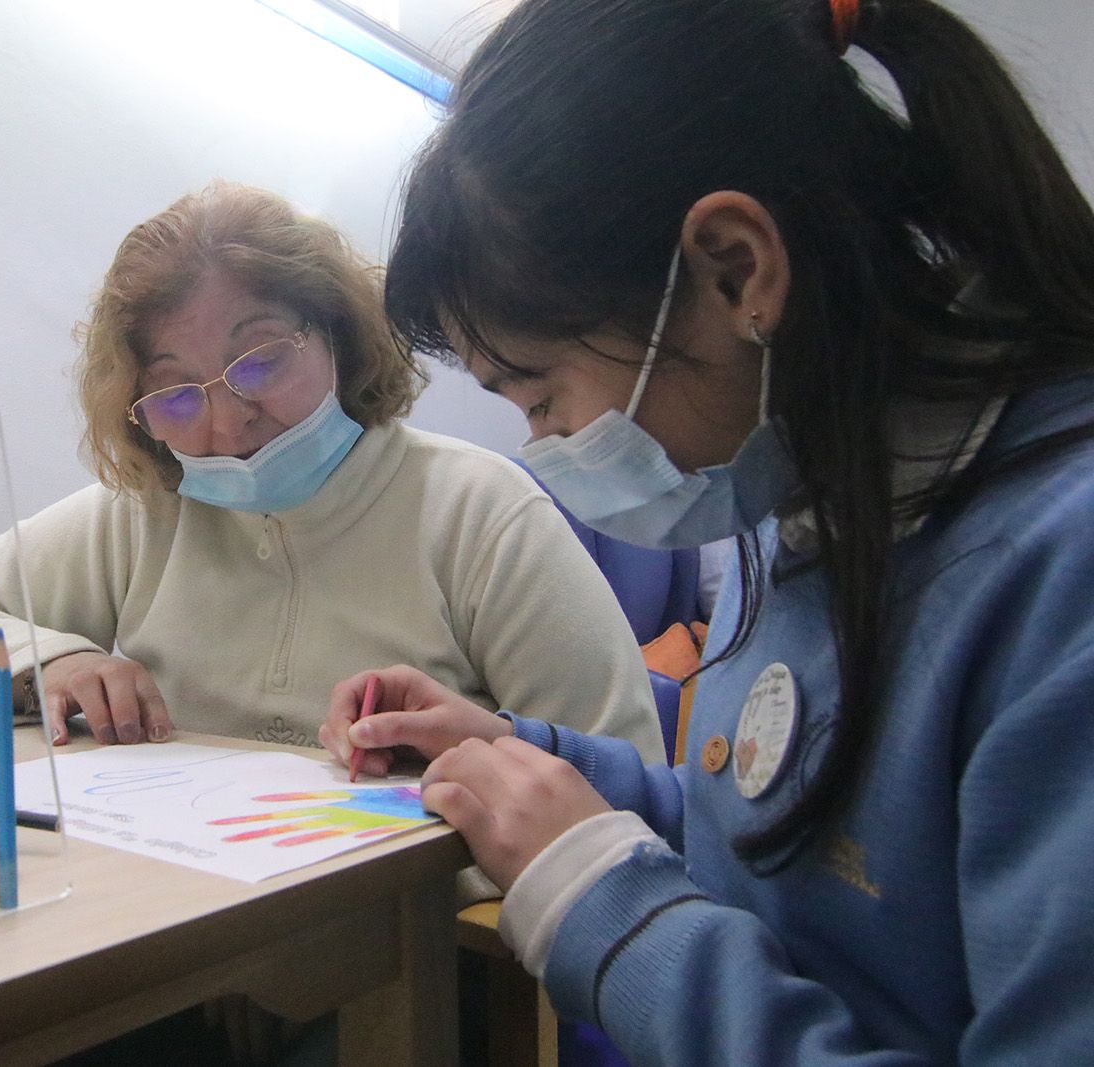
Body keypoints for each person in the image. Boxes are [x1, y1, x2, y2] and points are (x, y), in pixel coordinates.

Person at [322, 0, 1094, 1061]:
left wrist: (607, 907)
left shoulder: (1058, 575)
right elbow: (777, 825)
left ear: (734, 272)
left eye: (540, 394)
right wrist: (522, 756)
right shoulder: (794, 492)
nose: (542, 445)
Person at [0, 182, 661, 767]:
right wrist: (56, 664)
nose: (225, 421)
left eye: (260, 359)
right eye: (176, 392)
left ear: (342, 338)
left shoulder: (476, 509)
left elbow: (623, 769)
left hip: (413, 945)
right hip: (192, 925)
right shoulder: (147, 514)